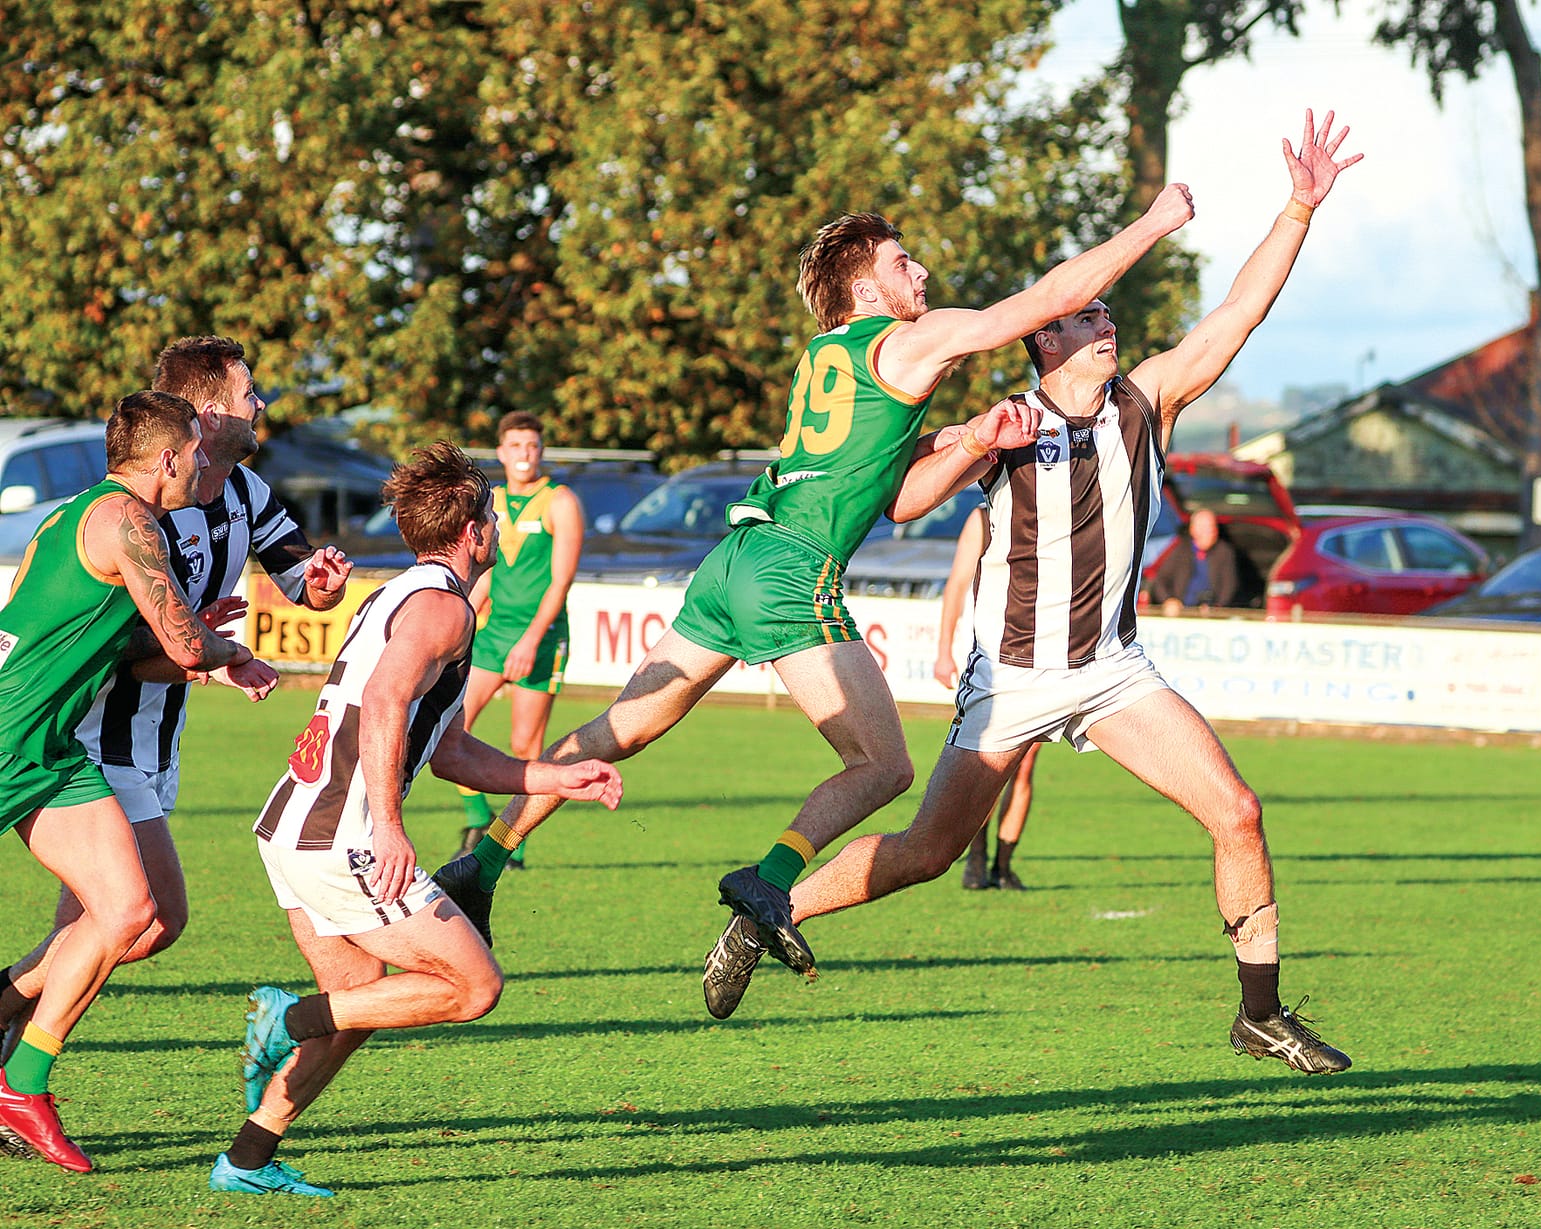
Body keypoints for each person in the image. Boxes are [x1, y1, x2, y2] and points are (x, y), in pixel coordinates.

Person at [701, 109, 1362, 1076]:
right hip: (1010, 680)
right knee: (928, 853)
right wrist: (973, 440)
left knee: (1239, 810)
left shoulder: (1149, 401)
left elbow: (1239, 313)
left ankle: (1259, 1012)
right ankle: (773, 910)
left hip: (1113, 670)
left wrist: (1299, 208)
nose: (1108, 325)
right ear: (1045, 344)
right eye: (1088, 318)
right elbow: (903, 501)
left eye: (1104, 317)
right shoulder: (1009, 417)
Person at [436, 184, 1198, 970]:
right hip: (794, 570)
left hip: (735, 557)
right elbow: (1041, 303)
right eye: (904, 261)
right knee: (886, 767)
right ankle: (768, 882)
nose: (922, 272)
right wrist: (1152, 224)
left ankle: (483, 861)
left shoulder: (824, 355)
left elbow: (895, 497)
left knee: (619, 729)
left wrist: (970, 439)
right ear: (867, 287)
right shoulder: (905, 339)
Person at [213, 442, 621, 1197]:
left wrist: (555, 776)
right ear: (472, 530)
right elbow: (387, 702)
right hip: (341, 835)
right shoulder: (442, 606)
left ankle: (246, 1156)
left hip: (293, 826)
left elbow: (452, 750)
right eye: (492, 515)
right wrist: (390, 830)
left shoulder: (408, 593)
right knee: (472, 987)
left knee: (365, 998)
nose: (497, 526)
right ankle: (287, 1018)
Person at [0, 337, 353, 1058]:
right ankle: (18, 1071)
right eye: (250, 392)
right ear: (203, 416)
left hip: (159, 734)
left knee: (117, 919)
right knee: (141, 916)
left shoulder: (245, 492)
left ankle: (13, 1056)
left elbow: (299, 582)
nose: (262, 405)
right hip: (91, 732)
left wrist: (320, 585)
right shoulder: (141, 510)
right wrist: (203, 652)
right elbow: (118, 646)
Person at [0, 391, 268, 1171]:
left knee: (135, 913)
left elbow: (144, 656)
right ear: (165, 459)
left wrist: (200, 643)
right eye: (193, 448)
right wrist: (220, 648)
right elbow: (185, 648)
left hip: (50, 747)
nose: (200, 461)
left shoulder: (102, 517)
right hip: (9, 734)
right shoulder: (127, 521)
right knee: (126, 914)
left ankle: (22, 1081)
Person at [452, 410, 583, 866]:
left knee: (527, 745)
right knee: (451, 725)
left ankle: (513, 843)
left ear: (541, 451)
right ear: (502, 451)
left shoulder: (560, 501)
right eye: (516, 446)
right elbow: (487, 573)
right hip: (494, 635)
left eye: (532, 446)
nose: (525, 454)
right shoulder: (494, 500)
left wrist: (529, 641)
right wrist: (462, 616)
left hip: (541, 637)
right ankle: (476, 817)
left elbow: (560, 581)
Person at [933, 504, 1040, 890]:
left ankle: (1004, 865)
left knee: (1024, 768)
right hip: (993, 663)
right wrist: (944, 650)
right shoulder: (983, 518)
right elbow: (957, 584)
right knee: (991, 766)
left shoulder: (1051, 505)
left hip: (1044, 662)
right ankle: (975, 859)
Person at [1149, 507, 1250, 613]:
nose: (1210, 532)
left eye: (1211, 527)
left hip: (1212, 612)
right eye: (1204, 528)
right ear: (1193, 530)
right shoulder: (1181, 550)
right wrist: (1169, 601)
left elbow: (1229, 586)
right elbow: (1160, 580)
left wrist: (1217, 607)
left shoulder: (1225, 552)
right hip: (1181, 610)